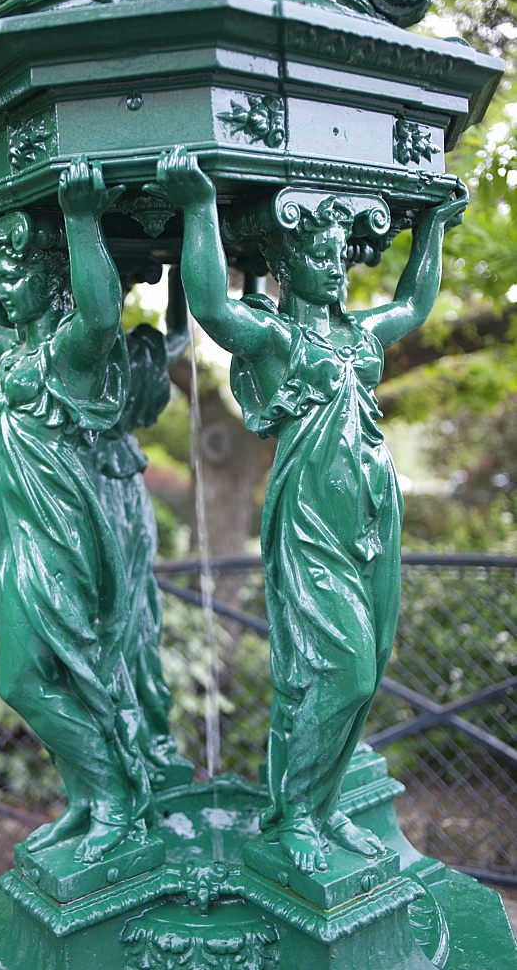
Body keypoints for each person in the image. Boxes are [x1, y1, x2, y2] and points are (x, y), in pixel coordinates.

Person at [151, 146, 467, 874]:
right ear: (289, 264)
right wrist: (199, 207)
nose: (335, 266)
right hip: (311, 527)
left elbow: (416, 304)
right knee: (337, 670)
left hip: (372, 523)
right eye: (320, 255)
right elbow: (213, 308)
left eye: (339, 255)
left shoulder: (358, 336)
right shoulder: (278, 337)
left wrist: (434, 229)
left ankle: (321, 811)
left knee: (368, 665)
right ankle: (292, 814)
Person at [0, 158, 152, 863]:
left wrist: (79, 220)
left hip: (60, 529)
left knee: (35, 674)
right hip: (12, 528)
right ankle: (88, 797)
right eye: (3, 275)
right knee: (32, 674)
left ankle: (113, 798)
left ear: (55, 279)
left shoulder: (69, 354)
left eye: (21, 274)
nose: (8, 288)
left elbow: (104, 314)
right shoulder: (15, 353)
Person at [78, 266, 194, 789]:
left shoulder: (94, 359)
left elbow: (178, 336)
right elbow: (180, 334)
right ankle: (135, 735)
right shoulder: (137, 358)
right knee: (124, 613)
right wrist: (179, 267)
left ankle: (137, 734)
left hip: (109, 483)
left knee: (129, 612)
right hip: (115, 486)